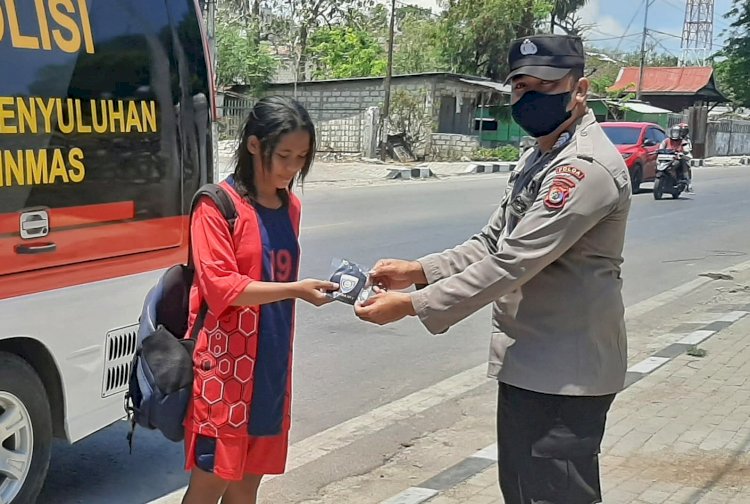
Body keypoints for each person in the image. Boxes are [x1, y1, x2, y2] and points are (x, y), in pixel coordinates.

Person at [355, 34, 631, 504]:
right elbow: (491, 241)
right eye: (520, 87)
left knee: (555, 496)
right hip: (530, 363)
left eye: (544, 86)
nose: (528, 98)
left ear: (579, 89)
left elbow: (513, 262)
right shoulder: (540, 156)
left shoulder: (584, 169)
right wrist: (417, 270)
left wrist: (414, 304)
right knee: (522, 493)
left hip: (567, 373)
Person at [181, 96, 338, 504]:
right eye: (283, 155)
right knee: (210, 483)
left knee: (248, 484)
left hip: (271, 366)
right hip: (225, 373)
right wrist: (295, 290)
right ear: (254, 145)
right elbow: (221, 287)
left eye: (301, 157)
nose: (292, 168)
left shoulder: (291, 207)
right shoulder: (216, 206)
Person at [660, 123, 694, 192]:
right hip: (667, 158)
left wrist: (683, 152)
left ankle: (687, 182)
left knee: (685, 164)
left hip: (677, 159)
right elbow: (661, 148)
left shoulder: (683, 141)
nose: (675, 134)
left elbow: (687, 149)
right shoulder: (666, 140)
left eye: (677, 132)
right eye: (674, 132)